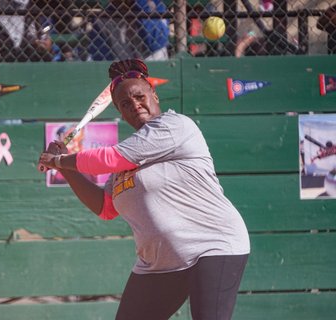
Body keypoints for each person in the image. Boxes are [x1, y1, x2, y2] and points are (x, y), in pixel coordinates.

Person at [38, 59, 250, 320]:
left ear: (154, 95)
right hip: (160, 262)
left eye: (139, 96)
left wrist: (59, 160)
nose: (134, 105)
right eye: (125, 104)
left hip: (213, 246)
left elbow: (109, 158)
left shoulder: (174, 126)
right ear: (120, 111)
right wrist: (64, 169)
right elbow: (105, 207)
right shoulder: (129, 153)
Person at [87, 0, 169, 61]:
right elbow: (99, 57)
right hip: (122, 75)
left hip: (155, 68)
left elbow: (156, 43)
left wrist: (141, 5)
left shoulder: (155, 5)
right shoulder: (102, 19)